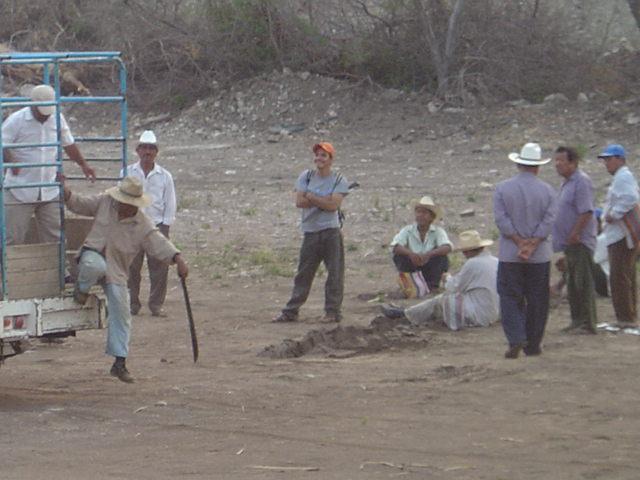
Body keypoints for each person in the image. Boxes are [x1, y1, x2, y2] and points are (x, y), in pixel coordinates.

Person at [63, 176, 188, 383]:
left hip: (117, 269)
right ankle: (82, 289)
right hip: (93, 255)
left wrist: (177, 257)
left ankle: (119, 361)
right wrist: (67, 194)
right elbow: (81, 204)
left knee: (122, 309)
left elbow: (158, 242)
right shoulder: (105, 201)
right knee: (94, 266)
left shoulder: (142, 223)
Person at [1, 84, 95, 245]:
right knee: (12, 237)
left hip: (49, 189)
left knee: (55, 237)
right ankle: (10, 269)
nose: (45, 116)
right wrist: (11, 161)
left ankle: (57, 269)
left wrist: (83, 165)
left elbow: (68, 145)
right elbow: (3, 143)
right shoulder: (16, 120)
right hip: (20, 189)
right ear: (32, 104)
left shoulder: (57, 118)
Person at [273, 142, 350, 324]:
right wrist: (323, 200)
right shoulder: (306, 176)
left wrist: (311, 196)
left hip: (330, 231)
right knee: (304, 273)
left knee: (335, 274)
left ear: (331, 159)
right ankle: (291, 311)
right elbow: (300, 202)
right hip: (311, 231)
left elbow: (333, 206)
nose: (319, 158)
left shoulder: (339, 179)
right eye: (317, 155)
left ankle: (332, 312)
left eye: (324, 155)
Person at [494, 143, 557, 359]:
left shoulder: (503, 188)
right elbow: (549, 220)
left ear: (518, 163)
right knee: (538, 299)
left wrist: (518, 241)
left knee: (510, 296)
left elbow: (501, 219)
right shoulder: (548, 191)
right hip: (539, 255)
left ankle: (515, 337)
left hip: (510, 253)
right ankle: (533, 343)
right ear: (538, 167)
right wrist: (533, 242)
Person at [381, 230, 499, 330]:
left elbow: (454, 287)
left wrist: (447, 278)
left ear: (468, 251)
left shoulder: (473, 263)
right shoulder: (496, 261)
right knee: (443, 300)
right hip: (496, 310)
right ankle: (410, 312)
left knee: (442, 300)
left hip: (480, 311)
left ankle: (407, 314)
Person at [124, 130, 177, 317]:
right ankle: (132, 303)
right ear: (138, 150)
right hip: (133, 224)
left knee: (160, 268)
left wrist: (165, 229)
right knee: (131, 267)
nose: (147, 152)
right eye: (144, 148)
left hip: (156, 225)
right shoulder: (127, 172)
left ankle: (156, 304)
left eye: (151, 148)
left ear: (156, 152)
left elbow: (170, 203)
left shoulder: (165, 176)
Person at [552, 146, 598, 333]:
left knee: (583, 282)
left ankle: (588, 323)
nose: (557, 164)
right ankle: (577, 320)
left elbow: (586, 210)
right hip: (569, 243)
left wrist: (576, 232)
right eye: (556, 160)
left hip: (580, 241)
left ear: (573, 162)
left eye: (561, 161)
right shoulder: (567, 183)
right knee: (572, 283)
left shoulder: (581, 182)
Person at [599, 144, 640, 328]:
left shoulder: (623, 177)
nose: (606, 163)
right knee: (626, 275)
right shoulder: (622, 177)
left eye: (609, 159)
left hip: (621, 234)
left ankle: (625, 318)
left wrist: (613, 214)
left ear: (620, 159)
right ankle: (629, 315)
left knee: (619, 277)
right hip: (619, 234)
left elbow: (630, 198)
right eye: (605, 160)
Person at [390, 196, 452, 291]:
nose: (420, 215)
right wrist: (410, 254)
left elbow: (447, 247)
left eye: (424, 213)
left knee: (442, 258)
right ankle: (409, 284)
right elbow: (395, 246)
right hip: (412, 265)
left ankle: (432, 285)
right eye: (418, 212)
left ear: (432, 217)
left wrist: (429, 254)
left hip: (430, 266)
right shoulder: (407, 230)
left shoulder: (438, 231)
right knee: (399, 256)